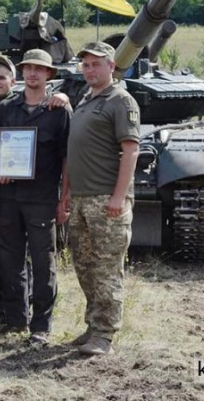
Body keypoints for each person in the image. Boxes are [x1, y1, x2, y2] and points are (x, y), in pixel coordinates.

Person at [0, 55, 70, 333]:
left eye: (39, 69)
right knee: (10, 262)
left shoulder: (58, 110)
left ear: (48, 74)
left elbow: (66, 158)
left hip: (41, 198)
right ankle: (16, 322)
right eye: (28, 68)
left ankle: (41, 326)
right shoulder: (6, 108)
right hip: (8, 197)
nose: (32, 73)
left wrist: (65, 198)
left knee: (43, 263)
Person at [61, 41, 140, 356]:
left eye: (96, 64)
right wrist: (67, 194)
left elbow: (131, 150)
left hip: (106, 198)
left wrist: (119, 196)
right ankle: (93, 325)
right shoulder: (85, 101)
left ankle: (105, 334)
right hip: (81, 199)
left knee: (106, 269)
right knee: (85, 267)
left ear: (111, 66)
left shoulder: (120, 100)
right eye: (86, 64)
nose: (89, 69)